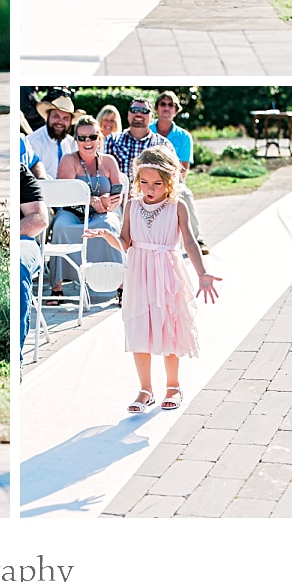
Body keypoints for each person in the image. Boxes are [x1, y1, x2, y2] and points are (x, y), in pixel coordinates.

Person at [84, 146, 220, 413]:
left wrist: (202, 273)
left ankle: (173, 385)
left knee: (169, 328)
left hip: (167, 273)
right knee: (140, 330)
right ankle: (145, 389)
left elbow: (190, 242)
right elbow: (125, 243)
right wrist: (105, 235)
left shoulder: (177, 206)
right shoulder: (132, 205)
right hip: (139, 273)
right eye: (144, 182)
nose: (150, 188)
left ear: (170, 181)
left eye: (157, 183)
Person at [46, 116, 124, 305]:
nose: (87, 142)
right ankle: (57, 288)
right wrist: (91, 201)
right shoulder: (68, 160)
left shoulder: (109, 161)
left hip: (101, 213)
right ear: (76, 140)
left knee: (108, 225)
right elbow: (65, 194)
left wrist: (107, 203)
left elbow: (118, 193)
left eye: (92, 137)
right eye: (82, 138)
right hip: (72, 212)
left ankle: (121, 285)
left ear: (99, 138)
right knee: (61, 226)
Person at [150, 90, 208, 253]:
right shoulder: (147, 130)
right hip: (148, 181)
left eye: (171, 105)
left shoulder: (184, 136)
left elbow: (182, 169)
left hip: (172, 182)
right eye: (163, 104)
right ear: (157, 108)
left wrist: (166, 186)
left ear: (176, 110)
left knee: (186, 196)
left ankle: (197, 239)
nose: (166, 108)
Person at [104, 96, 174, 179]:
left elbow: (172, 177)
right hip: (119, 191)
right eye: (134, 110)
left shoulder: (163, 144)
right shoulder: (111, 141)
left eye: (144, 111)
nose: (138, 114)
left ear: (152, 117)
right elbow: (102, 173)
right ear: (128, 115)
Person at [20, 164, 48, 367]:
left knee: (18, 264)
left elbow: (39, 219)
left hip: (21, 239)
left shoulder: (19, 171)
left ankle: (16, 359)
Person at [26, 89, 82, 177]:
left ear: (70, 122)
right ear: (48, 117)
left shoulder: (72, 143)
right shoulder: (32, 141)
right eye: (56, 116)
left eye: (65, 118)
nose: (60, 122)